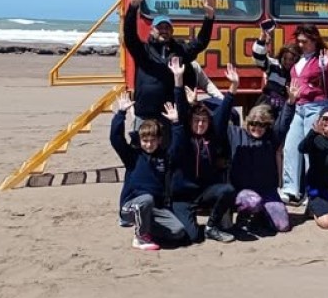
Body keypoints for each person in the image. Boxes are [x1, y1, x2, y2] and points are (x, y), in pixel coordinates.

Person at [124, 0, 215, 125]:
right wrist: (133, 6)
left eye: (167, 28)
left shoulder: (180, 50)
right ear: (152, 30)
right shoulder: (143, 51)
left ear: (172, 31)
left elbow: (200, 42)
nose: (164, 31)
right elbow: (129, 35)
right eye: (160, 27)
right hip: (145, 115)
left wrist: (209, 18)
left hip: (171, 115)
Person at [168, 58, 237, 243]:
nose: (200, 124)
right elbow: (181, 108)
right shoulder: (184, 134)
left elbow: (224, 111)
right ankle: (178, 216)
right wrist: (178, 79)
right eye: (197, 121)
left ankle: (212, 226)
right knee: (192, 237)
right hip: (183, 196)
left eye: (204, 121)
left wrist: (234, 86)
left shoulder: (213, 135)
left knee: (228, 190)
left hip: (205, 191)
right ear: (190, 122)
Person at [110, 92, 186, 251]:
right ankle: (140, 237)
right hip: (130, 206)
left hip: (154, 209)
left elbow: (178, 149)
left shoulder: (164, 157)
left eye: (153, 141)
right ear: (140, 140)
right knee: (146, 199)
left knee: (178, 232)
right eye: (145, 141)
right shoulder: (133, 156)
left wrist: (176, 123)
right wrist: (121, 114)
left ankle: (146, 228)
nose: (149, 144)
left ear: (159, 140)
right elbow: (116, 139)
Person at [280, 24, 328, 205]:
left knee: (313, 152)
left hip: (317, 107)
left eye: (304, 41)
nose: (300, 45)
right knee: (291, 147)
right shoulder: (299, 58)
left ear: (314, 40)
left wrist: (326, 69)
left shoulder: (325, 57)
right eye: (298, 41)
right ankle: (291, 189)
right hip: (299, 108)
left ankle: (312, 191)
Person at [227, 80, 300, 234]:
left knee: (283, 225)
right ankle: (246, 217)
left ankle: (261, 216)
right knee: (253, 202)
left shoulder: (271, 139)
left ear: (267, 125)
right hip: (243, 192)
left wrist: (291, 102)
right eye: (253, 123)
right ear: (247, 122)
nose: (257, 128)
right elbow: (220, 121)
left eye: (262, 124)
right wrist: (231, 90)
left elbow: (283, 123)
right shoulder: (236, 134)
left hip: (267, 191)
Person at [252, 28, 301, 113]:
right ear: (280, 57)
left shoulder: (298, 71)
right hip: (266, 104)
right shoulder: (273, 65)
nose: (288, 62)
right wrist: (261, 40)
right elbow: (258, 58)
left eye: (291, 59)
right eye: (285, 58)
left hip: (285, 108)